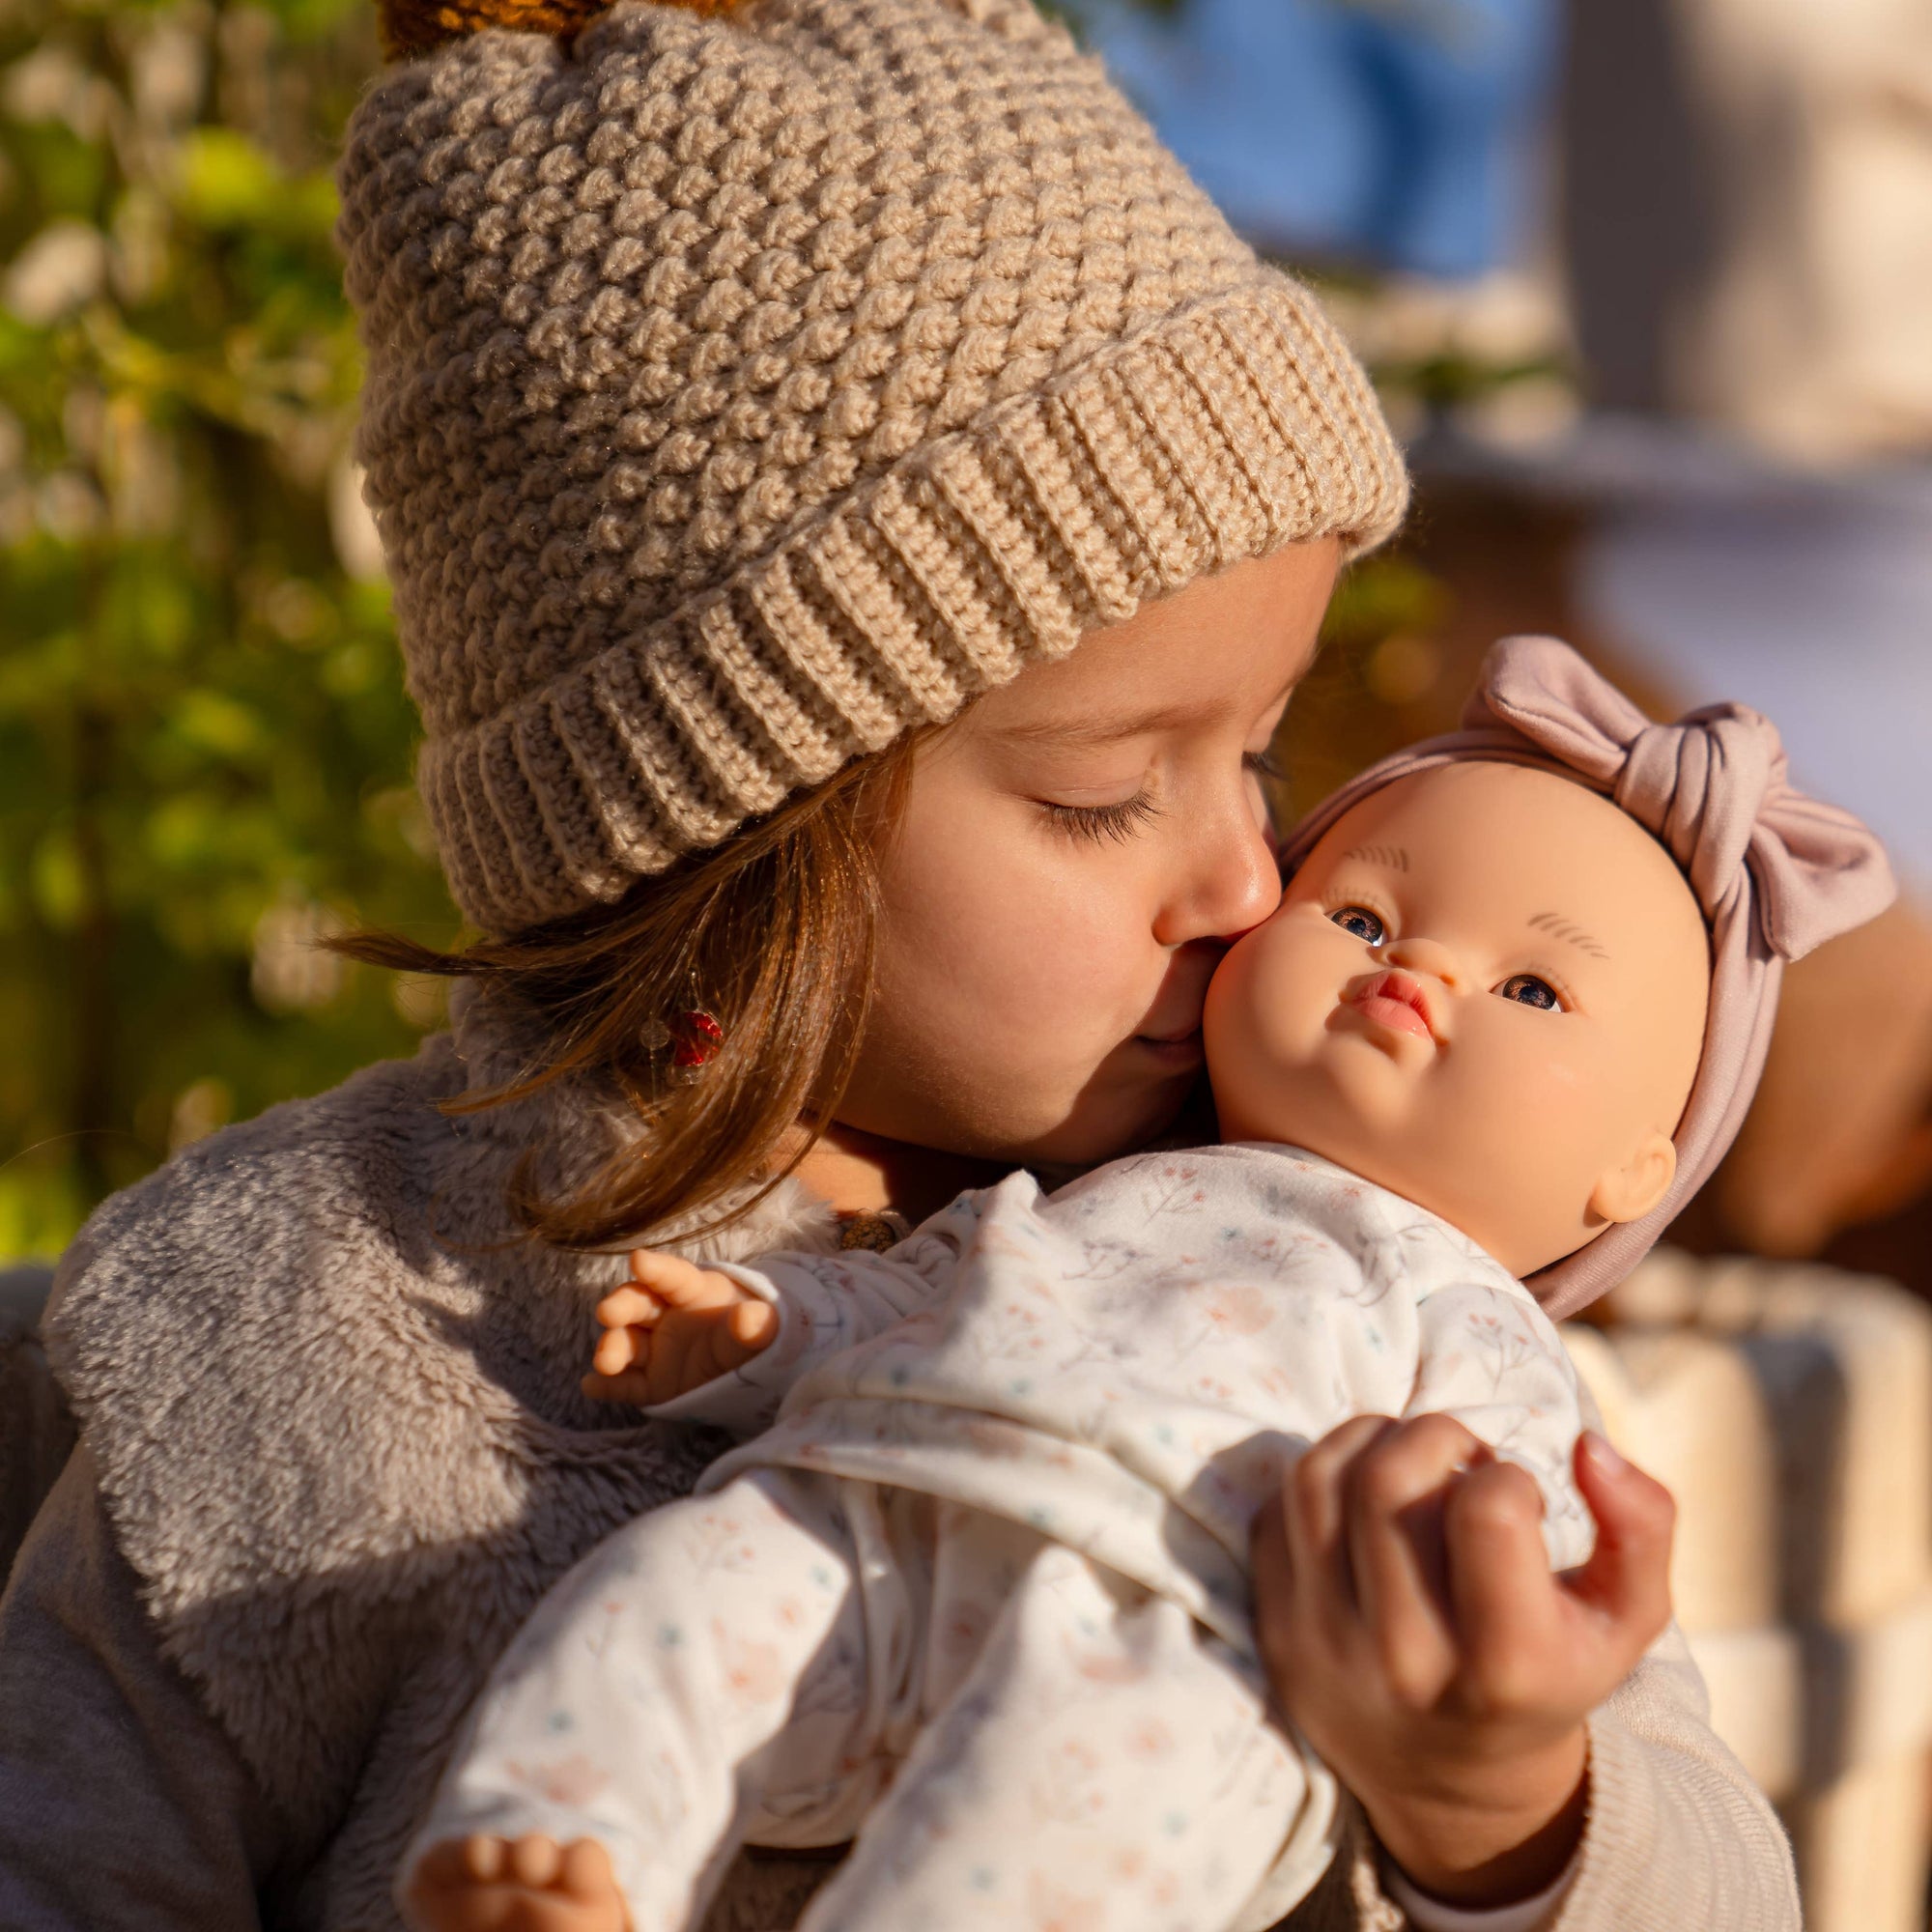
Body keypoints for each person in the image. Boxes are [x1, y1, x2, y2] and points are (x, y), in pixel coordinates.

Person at [0, 3, 1795, 1929]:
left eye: (1260, 754)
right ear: (720, 825)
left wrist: (1502, 1802)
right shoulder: (310, 1324)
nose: (1241, 874)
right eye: (1111, 795)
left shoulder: (1284, 1260)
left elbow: (1718, 1874)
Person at [398, 639, 1889, 1932]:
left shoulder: (1484, 1347)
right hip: (881, 1515)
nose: (1414, 974)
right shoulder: (1094, 1192)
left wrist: (1498, 1762)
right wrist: (770, 1330)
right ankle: (558, 1840)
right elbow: (952, 1291)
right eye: (1362, 915)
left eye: (1532, 990)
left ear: (1636, 1167)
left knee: (1056, 1837)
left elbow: (1638, 1759)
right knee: (676, 1591)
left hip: (1172, 1641)